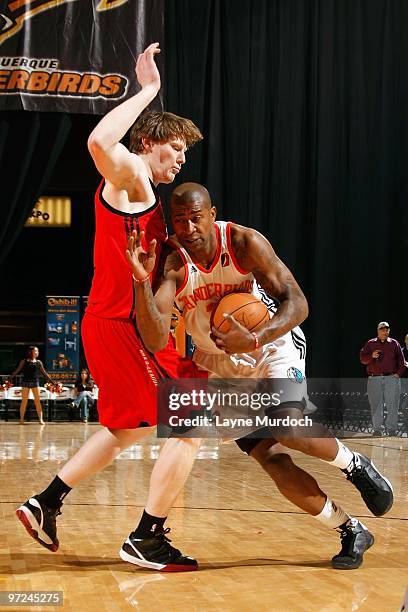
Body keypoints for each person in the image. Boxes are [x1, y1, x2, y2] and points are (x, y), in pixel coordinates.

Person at [127, 182, 394, 570]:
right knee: (271, 458)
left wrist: (254, 335)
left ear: (212, 215)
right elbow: (153, 338)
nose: (188, 228)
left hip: (271, 344)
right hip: (218, 365)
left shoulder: (242, 242)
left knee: (287, 424)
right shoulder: (171, 260)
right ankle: (350, 529)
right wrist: (140, 281)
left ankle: (354, 465)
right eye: (180, 220)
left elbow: (297, 302)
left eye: (196, 218)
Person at [16, 43, 205, 572]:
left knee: (129, 428)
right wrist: (147, 92)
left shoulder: (147, 195)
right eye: (175, 149)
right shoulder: (132, 179)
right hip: (118, 325)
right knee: (187, 420)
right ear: (148, 143)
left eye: (186, 154)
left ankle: (46, 502)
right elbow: (100, 139)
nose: (182, 160)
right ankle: (148, 537)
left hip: (114, 324)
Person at [360, 322, 405, 436]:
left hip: (391, 377)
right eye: (383, 329)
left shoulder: (394, 343)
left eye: (387, 329)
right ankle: (377, 429)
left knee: (392, 404)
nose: (385, 331)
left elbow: (402, 361)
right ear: (378, 331)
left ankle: (391, 429)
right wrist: (371, 356)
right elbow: (362, 359)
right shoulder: (370, 343)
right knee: (376, 404)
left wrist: (398, 374)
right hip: (374, 378)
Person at [9, 346, 54, 425]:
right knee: (24, 402)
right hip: (25, 382)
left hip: (35, 382)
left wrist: (52, 381)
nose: (37, 352)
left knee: (37, 401)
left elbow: (44, 373)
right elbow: (17, 370)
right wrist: (9, 378)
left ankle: (40, 419)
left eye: (38, 351)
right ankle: (21, 419)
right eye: (36, 351)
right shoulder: (24, 361)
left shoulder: (38, 362)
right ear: (31, 352)